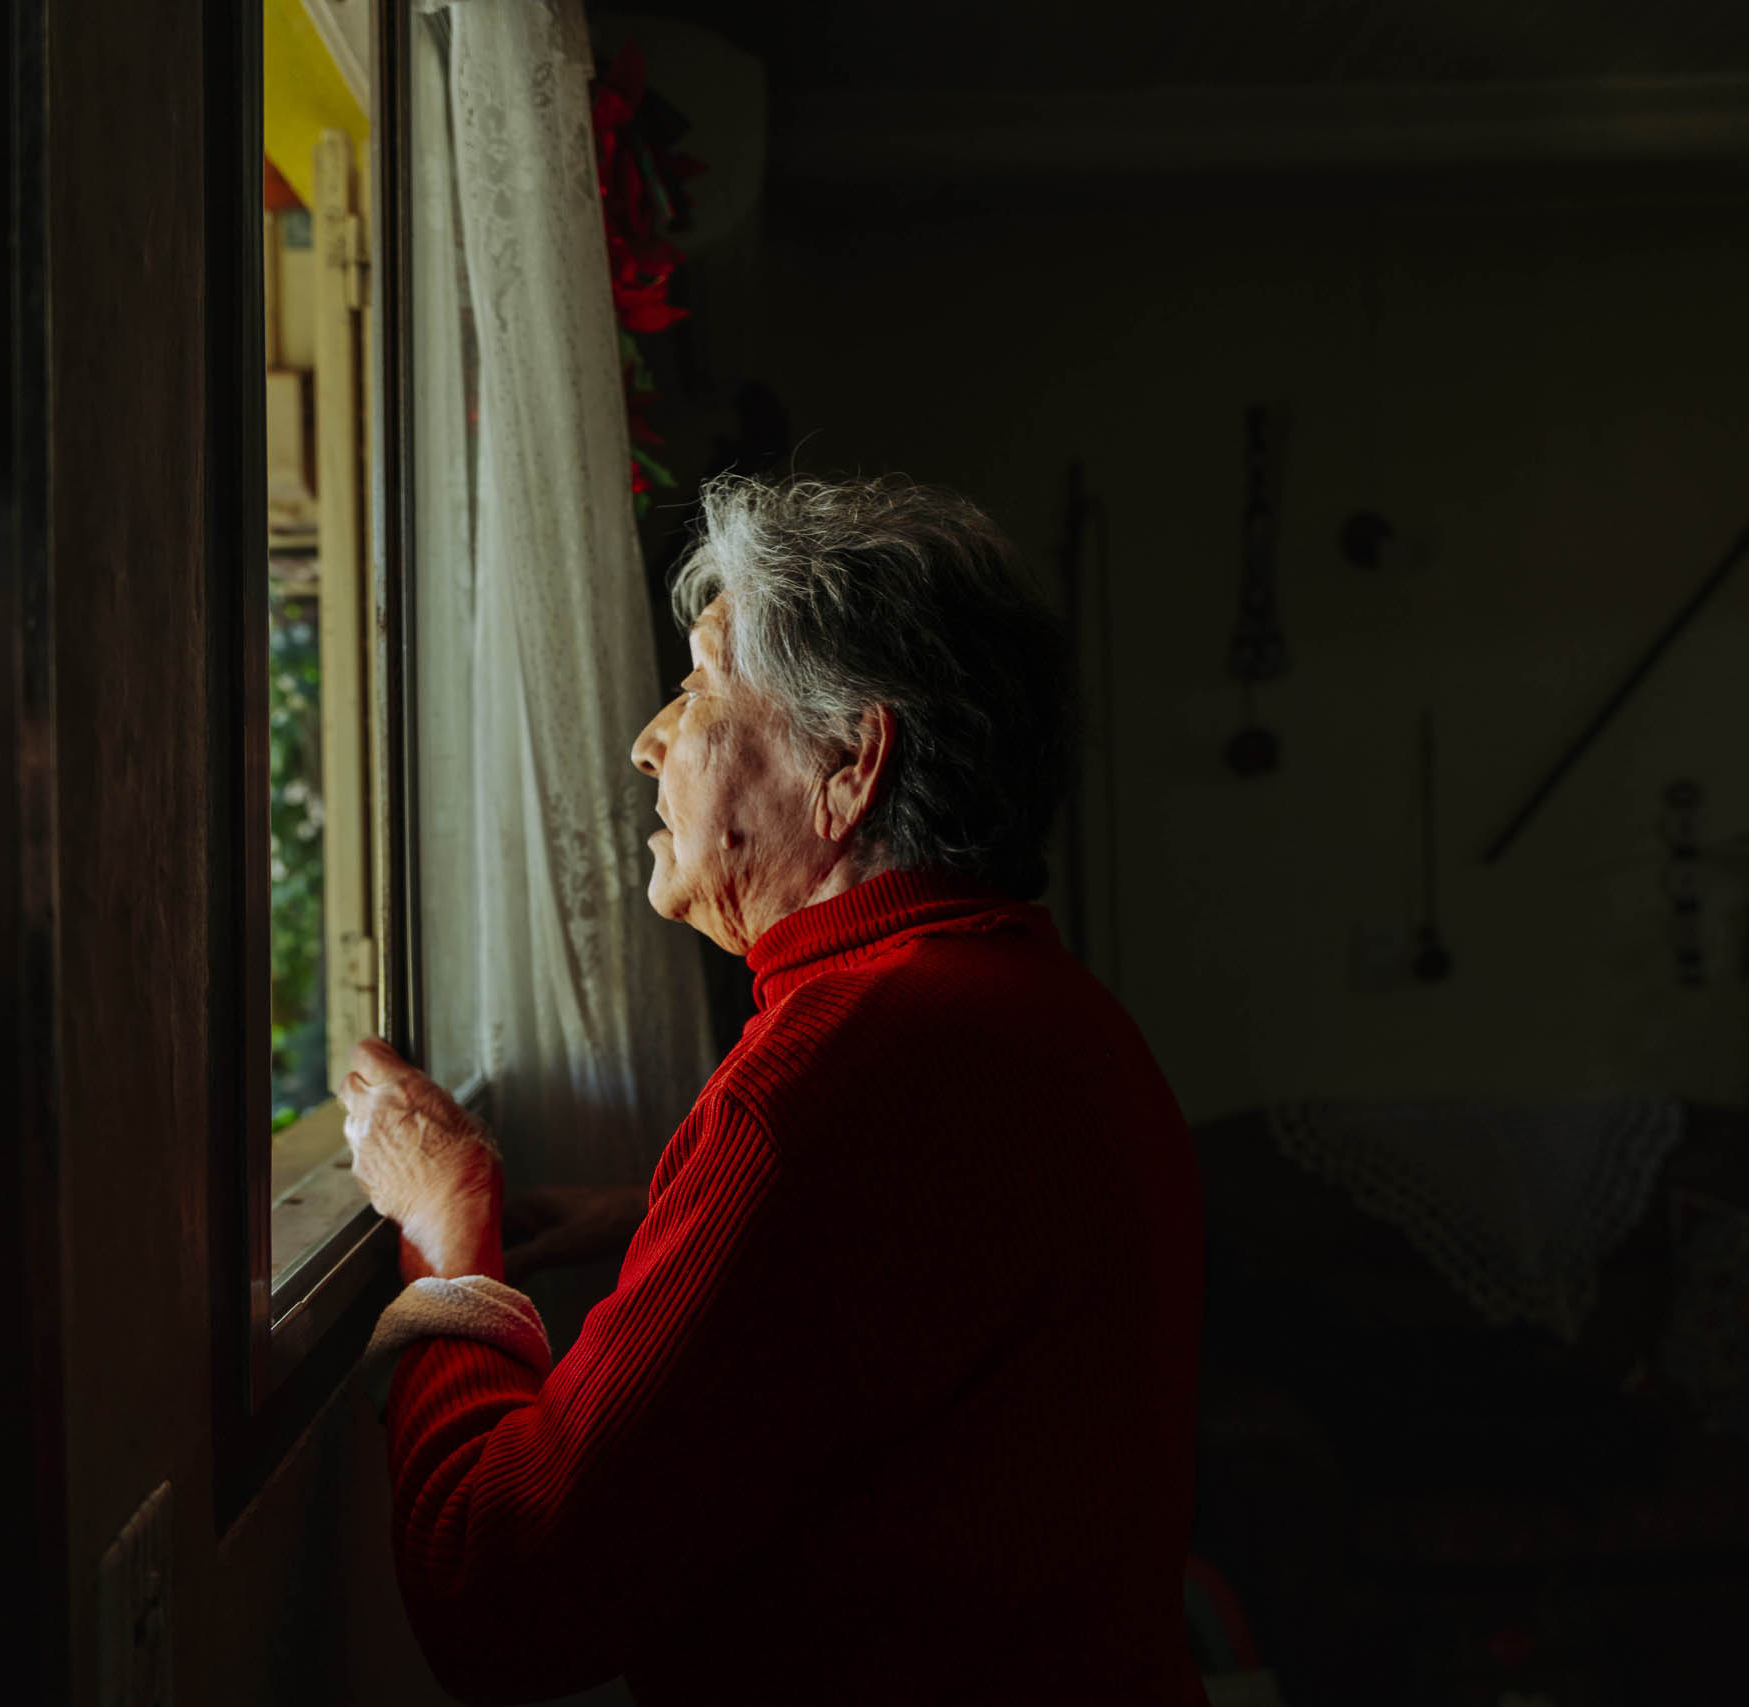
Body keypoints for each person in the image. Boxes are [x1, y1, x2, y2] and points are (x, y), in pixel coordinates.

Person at [340, 473, 1205, 1705]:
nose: (649, 740)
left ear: (849, 764)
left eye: (700, 687)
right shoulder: (1033, 1004)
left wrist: (446, 1235)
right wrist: (665, 1219)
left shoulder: (839, 1072)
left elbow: (496, 1591)